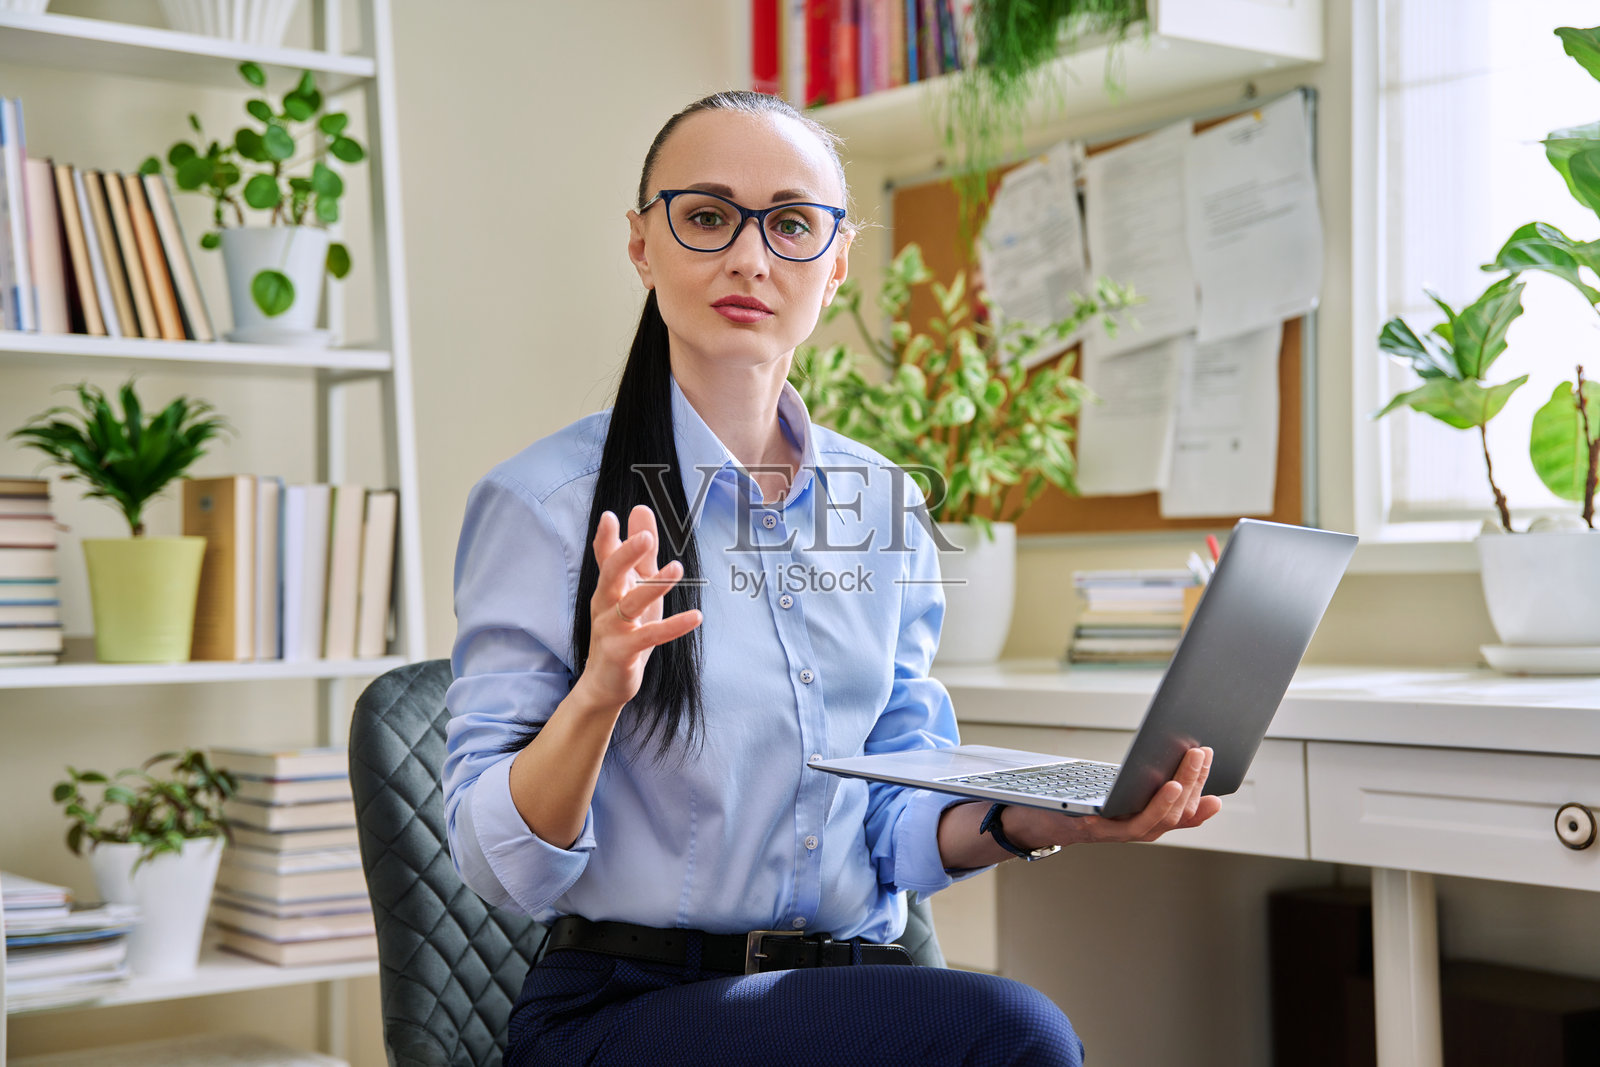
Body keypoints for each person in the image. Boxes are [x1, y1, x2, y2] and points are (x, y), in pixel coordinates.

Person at [444, 89, 1222, 1067]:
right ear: (643, 244)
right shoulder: (544, 503)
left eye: (793, 223)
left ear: (839, 259)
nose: (750, 256)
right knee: (1016, 1033)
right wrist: (599, 692)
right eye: (707, 215)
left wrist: (1050, 815)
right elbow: (494, 864)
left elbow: (894, 821)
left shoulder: (882, 502)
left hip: (847, 984)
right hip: (625, 1008)